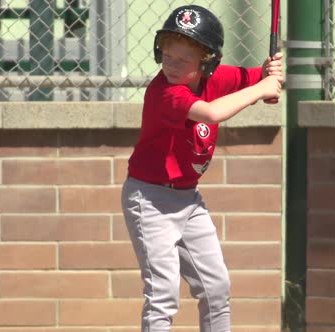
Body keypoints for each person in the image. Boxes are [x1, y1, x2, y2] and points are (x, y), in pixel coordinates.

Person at [120, 4, 283, 332]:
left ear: (207, 64)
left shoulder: (216, 77)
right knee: (163, 293)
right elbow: (211, 113)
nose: (172, 65)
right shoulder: (163, 92)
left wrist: (270, 72)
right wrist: (260, 90)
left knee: (216, 287)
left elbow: (255, 78)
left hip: (188, 199)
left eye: (183, 60)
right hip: (149, 199)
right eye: (167, 55)